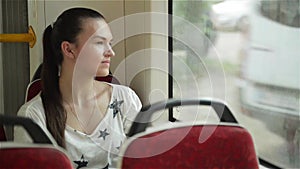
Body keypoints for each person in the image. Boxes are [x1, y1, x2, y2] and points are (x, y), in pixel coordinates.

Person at [14, 7, 142, 169]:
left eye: (109, 43)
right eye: (99, 43)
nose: (111, 52)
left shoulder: (125, 99)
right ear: (68, 49)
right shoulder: (33, 115)